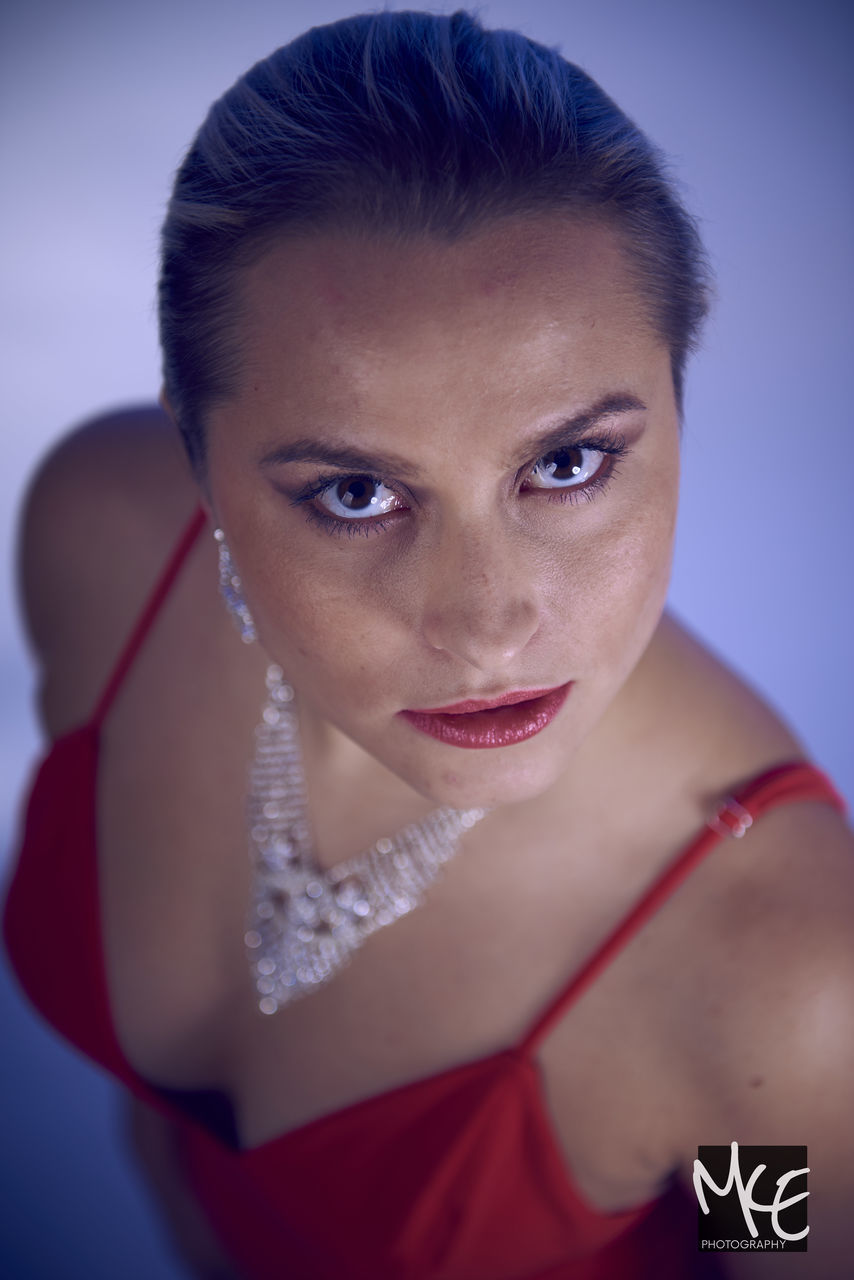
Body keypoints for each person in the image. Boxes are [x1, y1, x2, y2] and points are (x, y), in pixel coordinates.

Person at [4, 10, 853, 1279]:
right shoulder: (105, 542)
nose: (484, 623)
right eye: (355, 493)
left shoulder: (780, 996)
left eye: (566, 463)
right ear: (197, 448)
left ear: (679, 397)